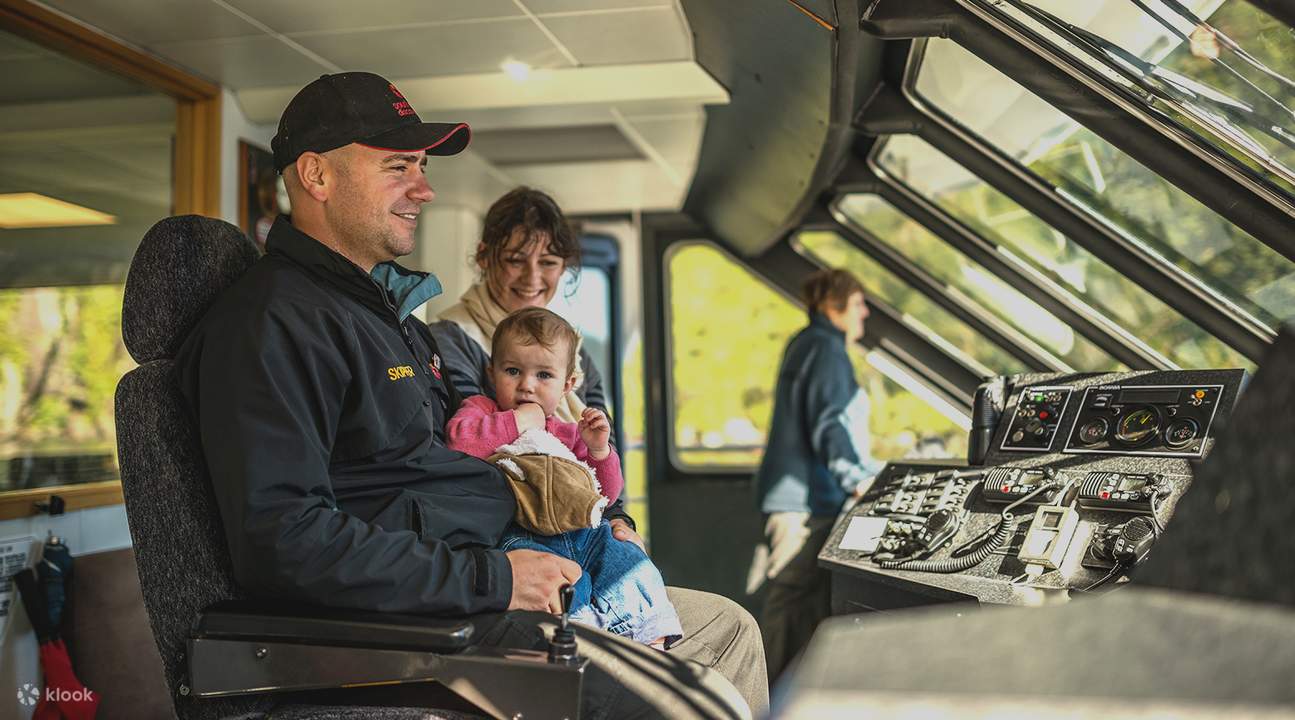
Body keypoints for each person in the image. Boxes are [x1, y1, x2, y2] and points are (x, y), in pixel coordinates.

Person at [174, 71, 765, 719]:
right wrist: (496, 578)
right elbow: (286, 542)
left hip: (489, 572)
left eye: (422, 167)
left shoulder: (379, 318)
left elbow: (425, 473)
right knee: (697, 704)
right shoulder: (273, 325)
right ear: (316, 176)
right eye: (399, 167)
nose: (423, 190)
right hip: (429, 626)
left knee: (728, 629)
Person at [447, 307, 683, 646]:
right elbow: (460, 441)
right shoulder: (483, 410)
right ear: (491, 373)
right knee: (564, 584)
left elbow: (605, 494)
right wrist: (519, 420)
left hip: (582, 531)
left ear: (568, 385)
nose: (526, 385)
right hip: (521, 532)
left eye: (544, 375)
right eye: (512, 371)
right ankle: (586, 634)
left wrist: (600, 451)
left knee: (625, 557)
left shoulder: (570, 432)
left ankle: (650, 635)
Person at [749, 268, 886, 681]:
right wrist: (858, 479)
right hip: (805, 507)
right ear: (835, 304)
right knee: (791, 610)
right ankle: (766, 701)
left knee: (797, 607)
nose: (864, 313)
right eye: (859, 302)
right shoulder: (826, 349)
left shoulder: (804, 342)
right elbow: (832, 423)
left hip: (795, 501)